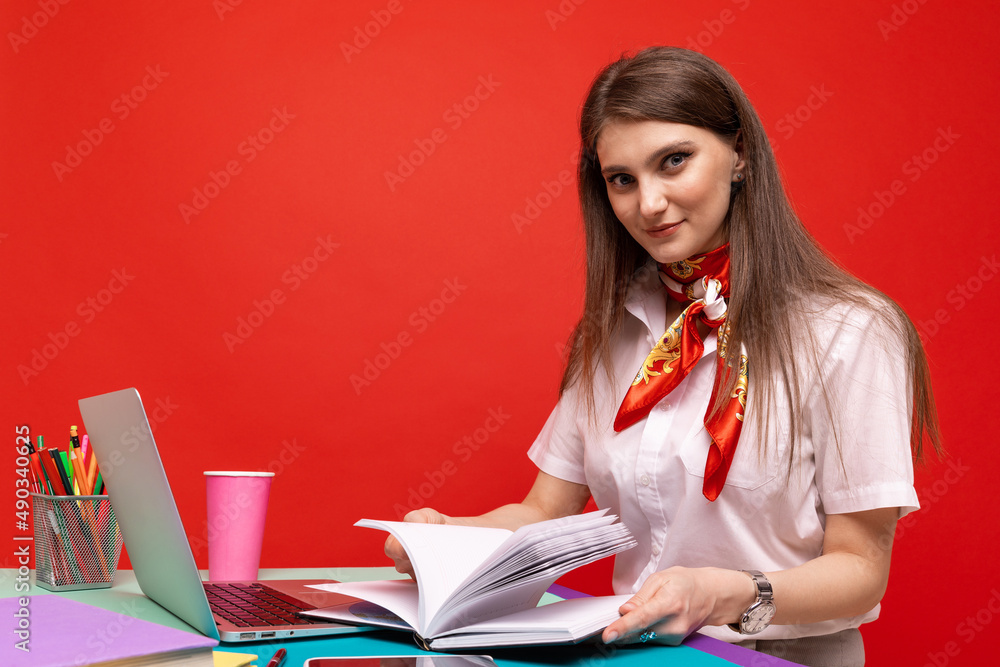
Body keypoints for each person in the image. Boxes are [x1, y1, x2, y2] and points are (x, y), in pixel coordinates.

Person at [386, 46, 940, 667]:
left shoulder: (851, 330)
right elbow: (544, 510)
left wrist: (722, 591)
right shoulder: (618, 324)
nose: (647, 203)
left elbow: (862, 567)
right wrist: (445, 539)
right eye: (622, 179)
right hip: (636, 654)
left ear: (741, 156)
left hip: (779, 656)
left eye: (673, 161)